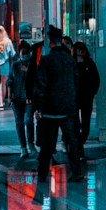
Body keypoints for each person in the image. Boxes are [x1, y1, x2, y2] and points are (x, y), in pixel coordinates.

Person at [31, 25, 84, 184]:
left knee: (48, 144)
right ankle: (76, 172)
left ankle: (42, 175)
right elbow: (76, 82)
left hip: (50, 109)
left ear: (50, 41)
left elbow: (40, 85)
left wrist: (37, 106)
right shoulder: (70, 59)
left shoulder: (46, 60)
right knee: (72, 141)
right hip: (68, 108)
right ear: (61, 40)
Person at [73, 41, 101, 161]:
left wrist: (92, 92)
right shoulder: (72, 63)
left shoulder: (90, 63)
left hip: (86, 97)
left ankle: (79, 146)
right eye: (79, 48)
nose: (81, 51)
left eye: (83, 48)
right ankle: (78, 149)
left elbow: (96, 79)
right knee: (74, 124)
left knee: (85, 126)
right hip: (74, 98)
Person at [8, 40, 36, 159]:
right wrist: (9, 97)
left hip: (29, 98)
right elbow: (10, 81)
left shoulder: (33, 65)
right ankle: (23, 147)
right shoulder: (15, 65)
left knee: (28, 120)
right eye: (23, 52)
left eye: (27, 52)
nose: (25, 54)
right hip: (17, 99)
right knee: (19, 122)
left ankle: (31, 144)